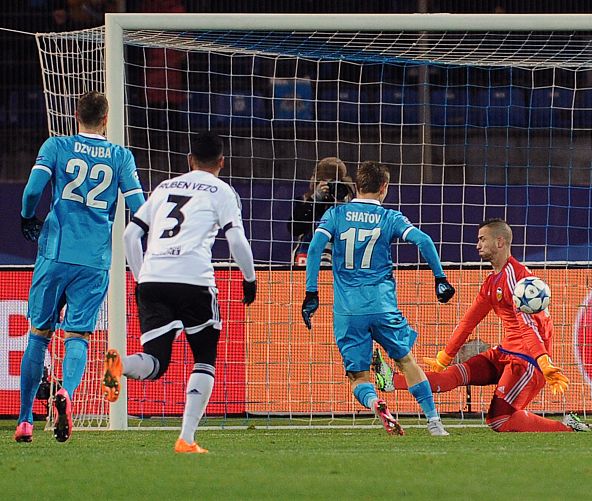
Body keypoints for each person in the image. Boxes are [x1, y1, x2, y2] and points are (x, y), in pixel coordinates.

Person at [102, 130, 257, 454]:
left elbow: (130, 235)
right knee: (204, 358)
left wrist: (141, 278)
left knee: (156, 362)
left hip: (153, 280)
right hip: (194, 281)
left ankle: (122, 365)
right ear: (222, 162)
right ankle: (186, 438)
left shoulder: (164, 188)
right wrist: (249, 278)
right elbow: (236, 240)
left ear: (189, 160)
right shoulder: (222, 191)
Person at [373, 219, 590, 433]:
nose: (477, 245)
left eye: (482, 239)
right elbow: (468, 322)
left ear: (500, 242)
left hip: (527, 361)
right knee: (453, 375)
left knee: (499, 420)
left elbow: (528, 327)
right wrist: (445, 358)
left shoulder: (517, 279)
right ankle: (392, 381)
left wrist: (543, 361)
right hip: (505, 352)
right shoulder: (491, 282)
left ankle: (567, 427)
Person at [15, 91, 145, 443]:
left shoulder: (56, 146)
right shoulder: (120, 156)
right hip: (94, 260)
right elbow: (138, 205)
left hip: (55, 253)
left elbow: (32, 191)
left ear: (76, 115)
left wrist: (27, 216)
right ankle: (67, 394)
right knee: (78, 336)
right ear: (106, 119)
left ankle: (25, 421)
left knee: (38, 335)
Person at [301, 160, 455, 436]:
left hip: (348, 310)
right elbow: (424, 241)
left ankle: (375, 402)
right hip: (382, 306)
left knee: (358, 376)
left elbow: (314, 249)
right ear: (384, 187)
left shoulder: (335, 214)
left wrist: (311, 292)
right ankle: (434, 423)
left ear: (357, 185)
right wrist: (440, 278)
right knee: (406, 361)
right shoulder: (390, 217)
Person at [288, 157, 354, 265]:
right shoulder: (305, 200)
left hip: (338, 256)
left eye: (334, 182)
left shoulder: (349, 202)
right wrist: (315, 199)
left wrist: (342, 201)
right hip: (307, 254)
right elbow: (294, 229)